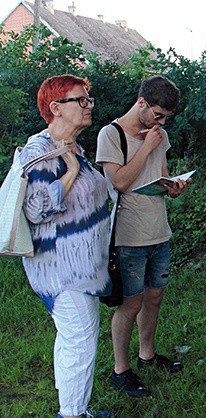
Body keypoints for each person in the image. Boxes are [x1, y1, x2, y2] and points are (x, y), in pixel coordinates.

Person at [21, 75, 112, 418]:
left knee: (72, 337)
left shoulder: (75, 149)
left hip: (83, 266)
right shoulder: (40, 151)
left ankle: (73, 405)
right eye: (81, 100)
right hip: (61, 268)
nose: (89, 106)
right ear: (56, 108)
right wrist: (71, 170)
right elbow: (35, 208)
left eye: (89, 100)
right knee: (81, 341)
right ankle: (72, 414)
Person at [96, 75, 190, 397]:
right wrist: (147, 145)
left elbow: (160, 177)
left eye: (166, 118)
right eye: (158, 115)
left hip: (158, 231)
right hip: (129, 235)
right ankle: (120, 371)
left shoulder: (158, 135)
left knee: (154, 297)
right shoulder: (111, 135)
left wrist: (174, 187)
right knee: (130, 304)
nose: (161, 123)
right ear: (141, 103)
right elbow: (119, 182)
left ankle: (147, 355)